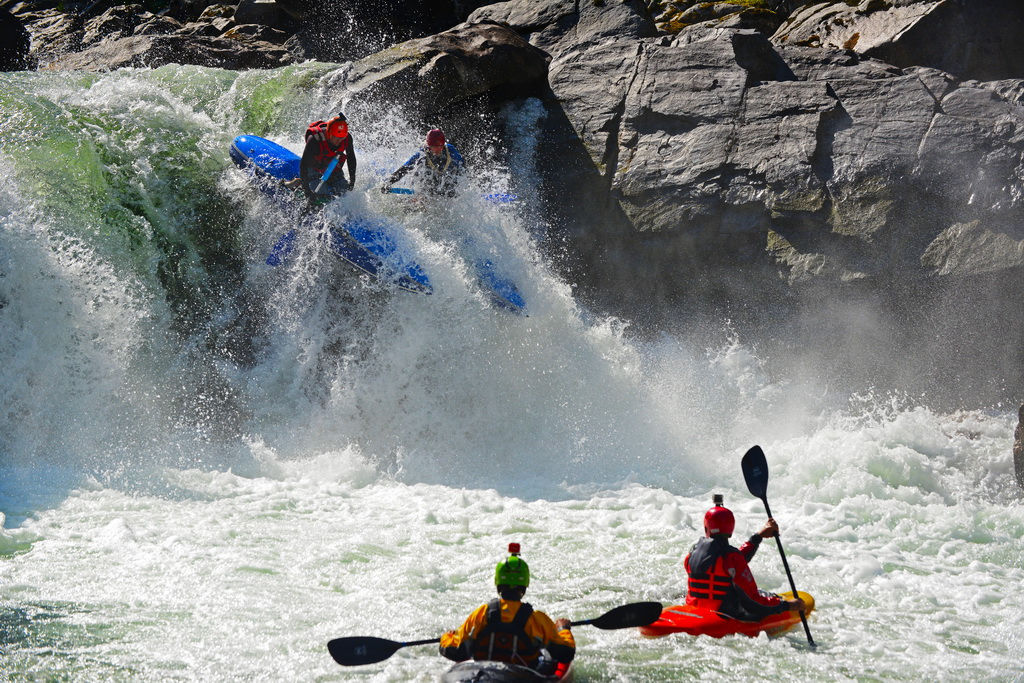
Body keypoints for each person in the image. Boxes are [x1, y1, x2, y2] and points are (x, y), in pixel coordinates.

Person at [439, 543, 575, 673]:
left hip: (485, 674)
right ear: (525, 584)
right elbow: (565, 652)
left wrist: (448, 636)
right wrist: (563, 629)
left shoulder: (482, 613)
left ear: (498, 583)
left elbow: (457, 651)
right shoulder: (536, 619)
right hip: (523, 677)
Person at [684, 495, 806, 622]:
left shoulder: (691, 555)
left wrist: (757, 537)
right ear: (731, 529)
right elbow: (753, 602)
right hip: (726, 615)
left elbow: (730, 563)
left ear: (706, 528)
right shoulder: (731, 558)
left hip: (695, 611)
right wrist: (786, 605)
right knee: (763, 595)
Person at [287, 113, 356, 201]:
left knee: (344, 194)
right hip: (314, 168)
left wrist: (352, 181)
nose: (339, 141)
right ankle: (298, 183)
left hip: (332, 167)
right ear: (329, 133)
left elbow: (351, 159)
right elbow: (304, 165)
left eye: (342, 138)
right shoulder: (314, 139)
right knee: (322, 196)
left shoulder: (347, 138)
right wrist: (307, 192)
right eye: (336, 138)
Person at [381, 128, 464, 197]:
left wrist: (454, 189)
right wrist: (388, 182)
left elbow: (462, 168)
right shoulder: (422, 154)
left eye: (440, 147)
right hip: (428, 182)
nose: (437, 150)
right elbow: (405, 168)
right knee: (425, 182)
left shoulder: (451, 151)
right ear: (428, 145)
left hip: (445, 181)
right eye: (433, 147)